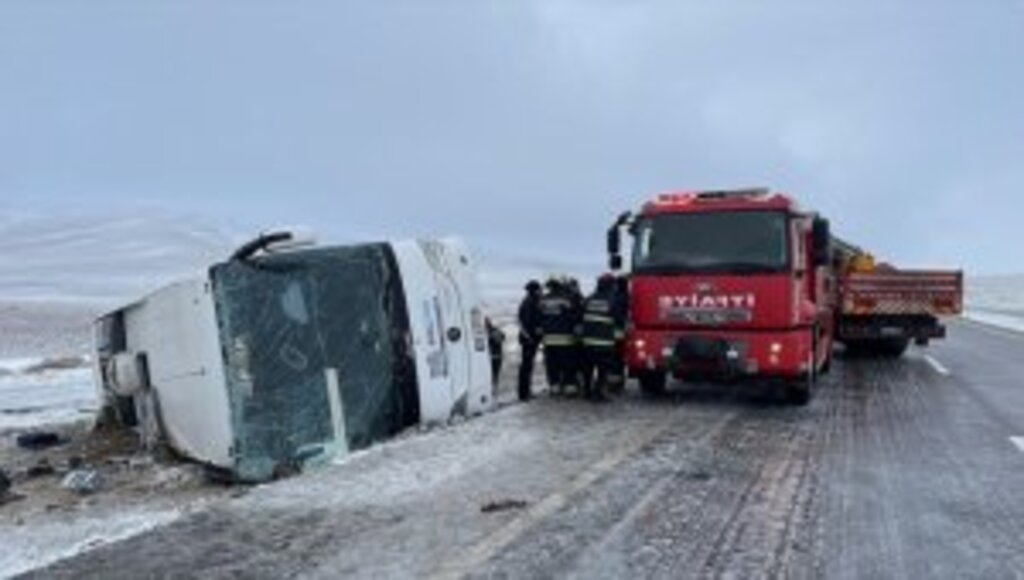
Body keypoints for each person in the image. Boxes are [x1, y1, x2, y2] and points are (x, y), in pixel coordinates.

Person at [581, 274, 627, 401]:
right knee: (603, 370)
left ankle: (587, 392)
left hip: (588, 341)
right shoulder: (613, 300)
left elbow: (580, 315)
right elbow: (619, 319)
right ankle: (598, 393)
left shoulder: (588, 299)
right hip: (604, 342)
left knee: (588, 369)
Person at [539, 277, 581, 396]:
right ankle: (569, 386)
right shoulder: (566, 299)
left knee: (552, 364)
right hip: (565, 338)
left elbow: (539, 317)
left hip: (548, 338)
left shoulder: (543, 300)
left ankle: (554, 386)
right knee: (568, 363)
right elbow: (575, 314)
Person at [516, 280, 543, 401]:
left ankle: (525, 392)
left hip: (527, 338)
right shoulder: (530, 303)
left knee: (527, 365)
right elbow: (527, 322)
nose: (540, 292)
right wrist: (531, 337)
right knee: (526, 366)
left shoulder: (527, 301)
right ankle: (524, 393)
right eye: (539, 290)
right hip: (529, 339)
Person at [485, 317, 505, 388]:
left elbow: (502, 337)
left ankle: (493, 389)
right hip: (494, 356)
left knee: (494, 375)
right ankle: (493, 388)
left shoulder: (494, 331)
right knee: (494, 375)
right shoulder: (494, 330)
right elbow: (502, 337)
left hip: (495, 356)